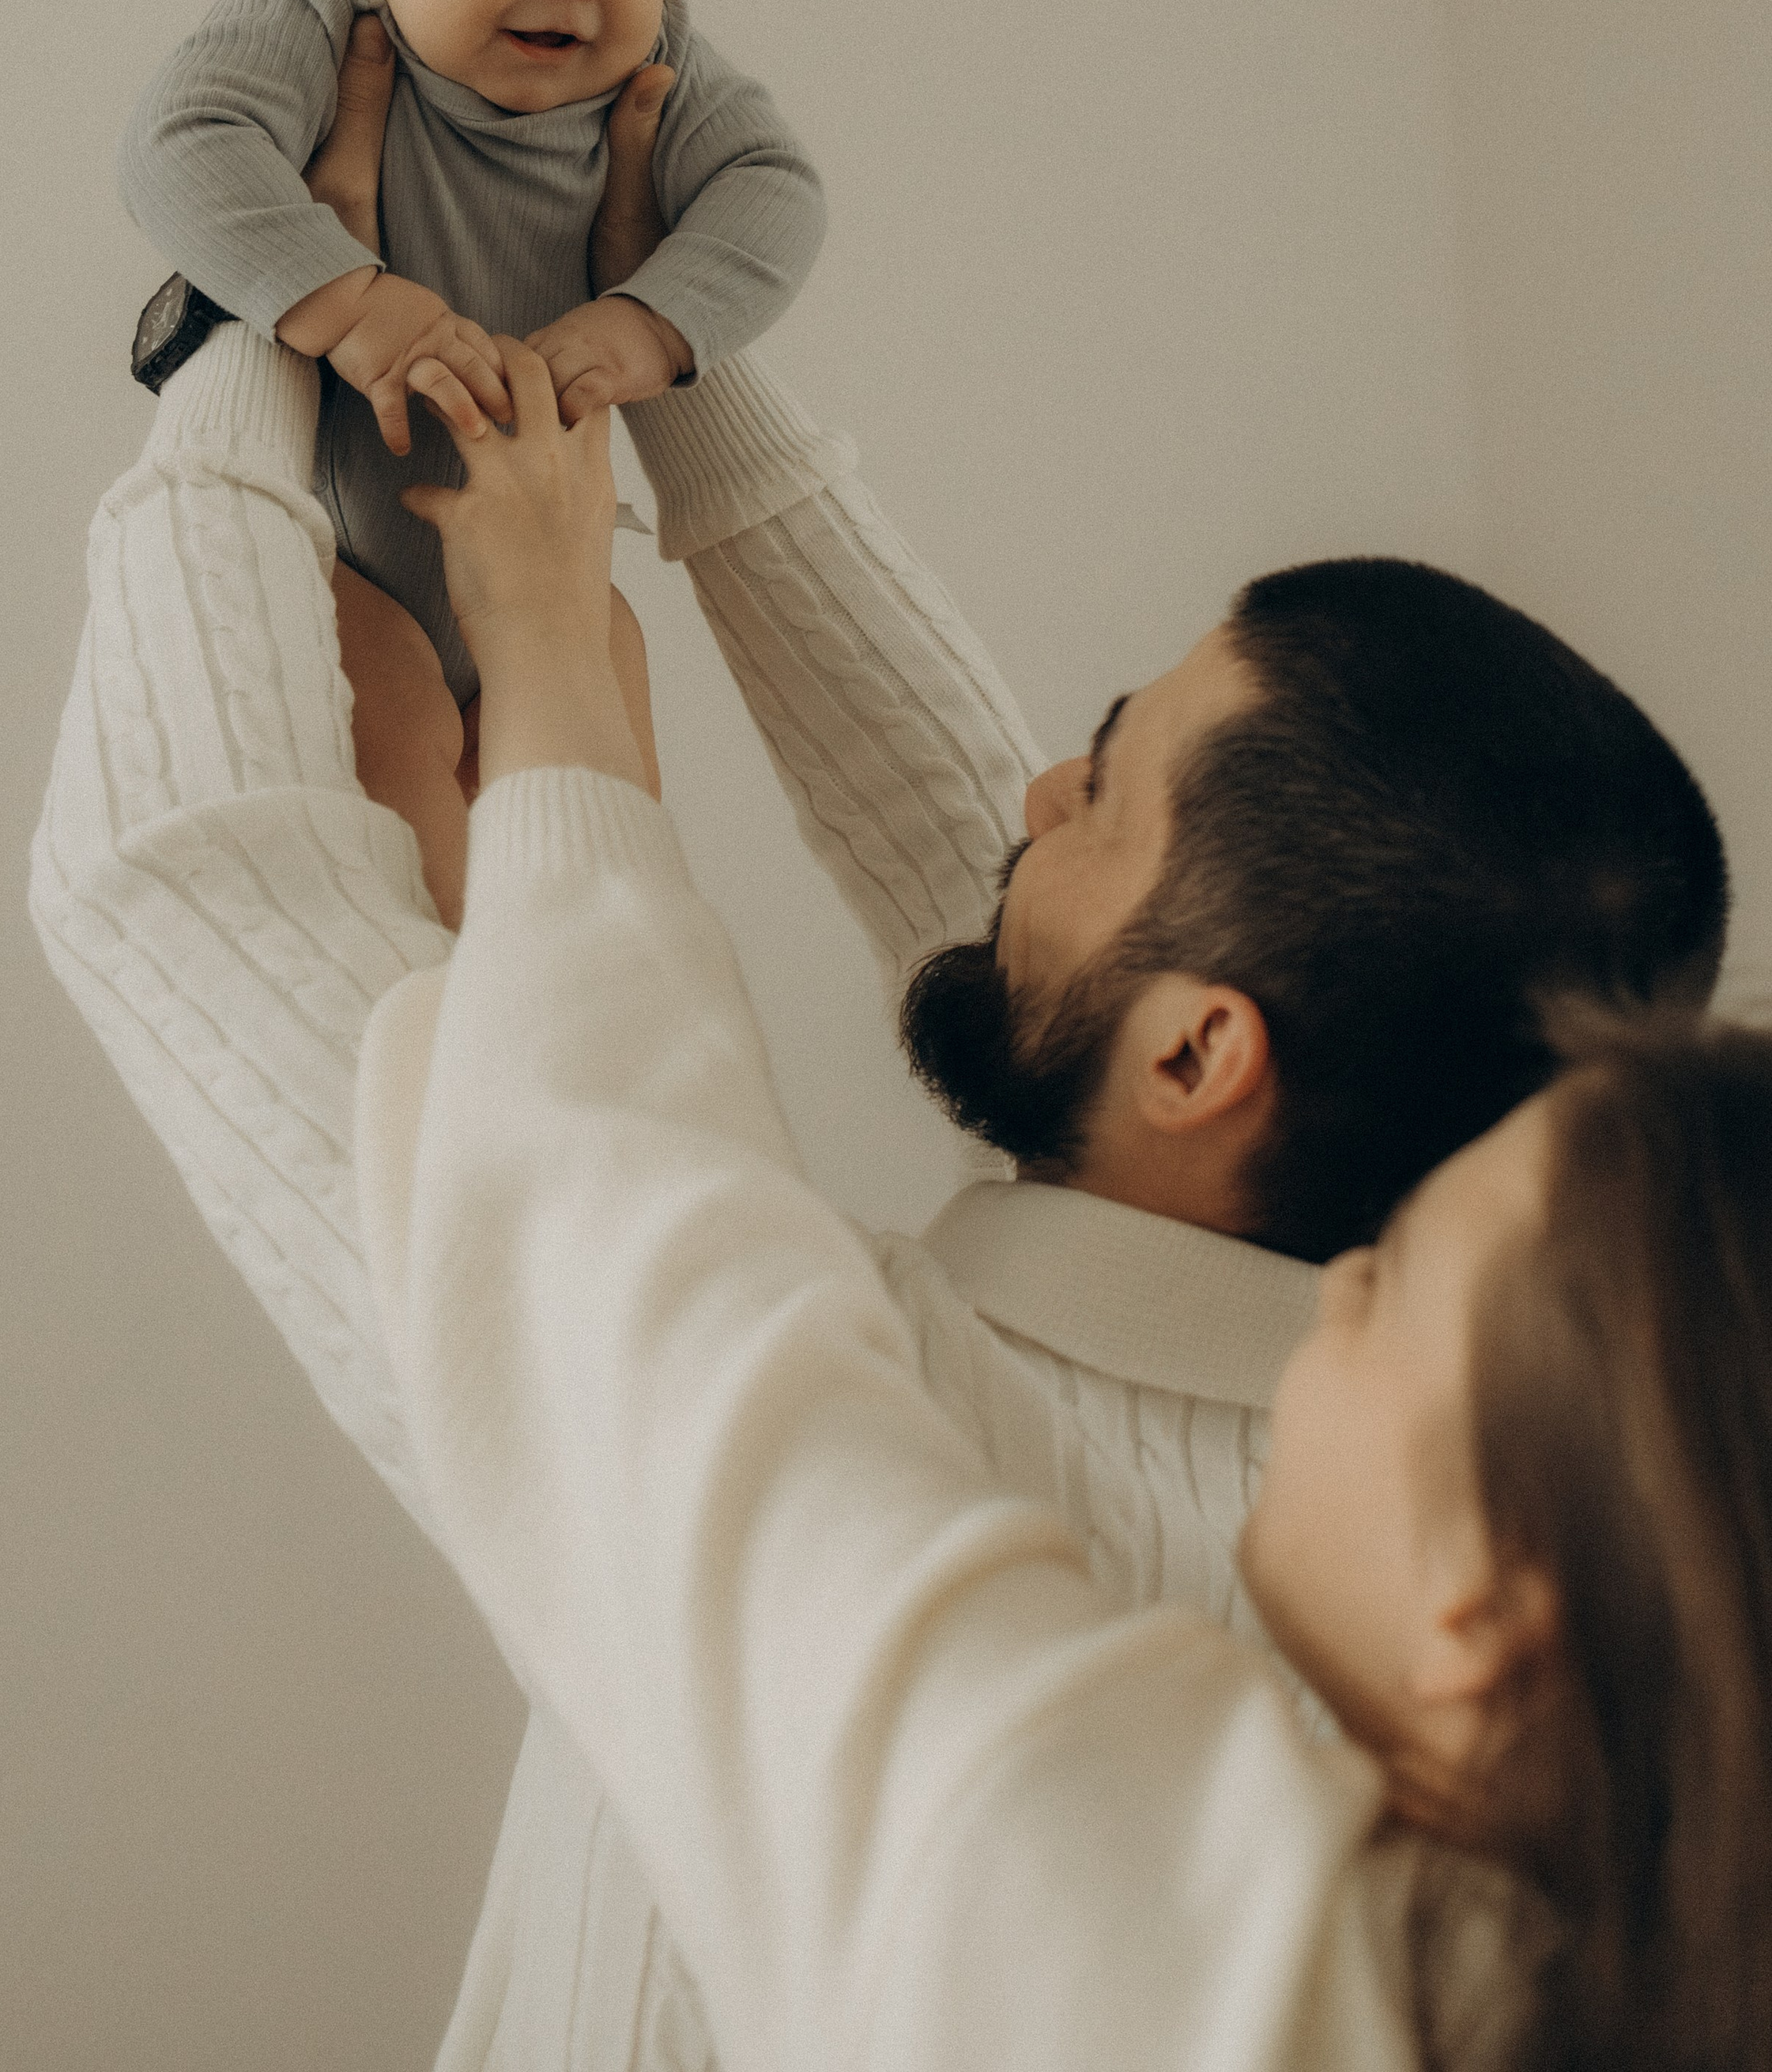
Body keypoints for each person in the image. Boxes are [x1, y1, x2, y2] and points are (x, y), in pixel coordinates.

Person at [32, 27, 1725, 2071]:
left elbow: (190, 895)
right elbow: (991, 889)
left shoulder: (938, 1478)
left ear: (1203, 1061)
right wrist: (648, 337)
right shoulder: (1510, 1585)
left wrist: (254, 330)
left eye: (1100, 786)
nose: (1026, 791)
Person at [363, 347, 1772, 2070]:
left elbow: (628, 1295)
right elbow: (982, 852)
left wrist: (542, 686)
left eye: (1395, 1284)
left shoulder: (1128, 1884)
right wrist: (682, 355)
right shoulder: (1603, 1941)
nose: (1331, 1296)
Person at [116, 0, 825, 708]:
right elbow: (182, 142)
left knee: (606, 832)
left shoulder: (651, 60)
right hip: (354, 582)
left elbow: (775, 188)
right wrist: (352, 303)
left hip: (559, 583)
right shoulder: (323, 15)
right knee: (424, 849)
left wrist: (649, 325)